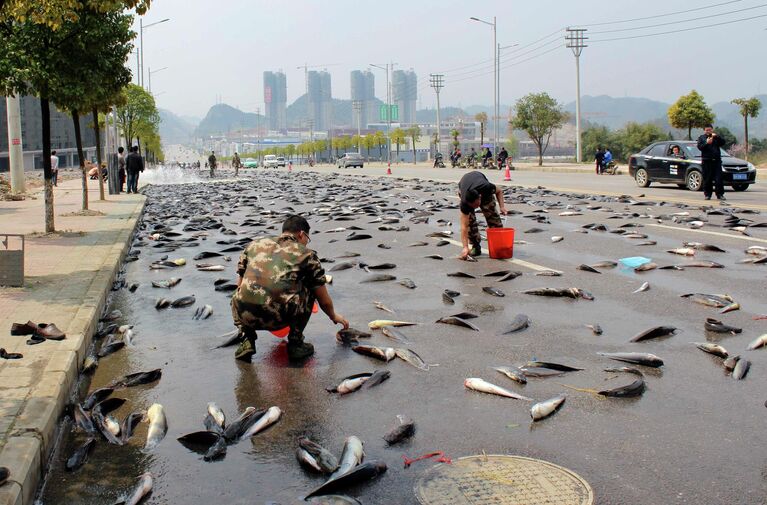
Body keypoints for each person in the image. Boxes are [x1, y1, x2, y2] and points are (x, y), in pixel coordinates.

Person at [231, 215, 349, 362]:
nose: (306, 242)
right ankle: (296, 343)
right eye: (308, 238)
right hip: (279, 317)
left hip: (245, 315)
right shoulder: (307, 254)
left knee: (241, 293)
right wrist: (333, 316)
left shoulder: (253, 245)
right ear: (301, 234)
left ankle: (246, 340)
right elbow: (323, 300)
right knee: (311, 288)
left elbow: (239, 285)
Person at [458, 170, 508, 260]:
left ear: (480, 198)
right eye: (473, 207)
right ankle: (476, 246)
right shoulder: (465, 203)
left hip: (480, 184)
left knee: (493, 217)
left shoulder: (486, 188)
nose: (476, 208)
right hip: (464, 185)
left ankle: (498, 246)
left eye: (476, 205)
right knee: (469, 222)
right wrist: (465, 247)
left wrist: (502, 207)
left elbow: (499, 191)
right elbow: (463, 227)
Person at [697, 124, 726, 201]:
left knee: (718, 178)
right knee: (707, 179)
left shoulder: (716, 137)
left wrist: (717, 137)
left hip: (716, 161)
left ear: (712, 130)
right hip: (707, 161)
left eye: (710, 130)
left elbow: (723, 143)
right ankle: (707, 195)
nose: (708, 131)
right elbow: (700, 147)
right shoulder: (701, 138)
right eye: (707, 130)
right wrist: (707, 143)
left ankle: (720, 195)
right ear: (704, 130)